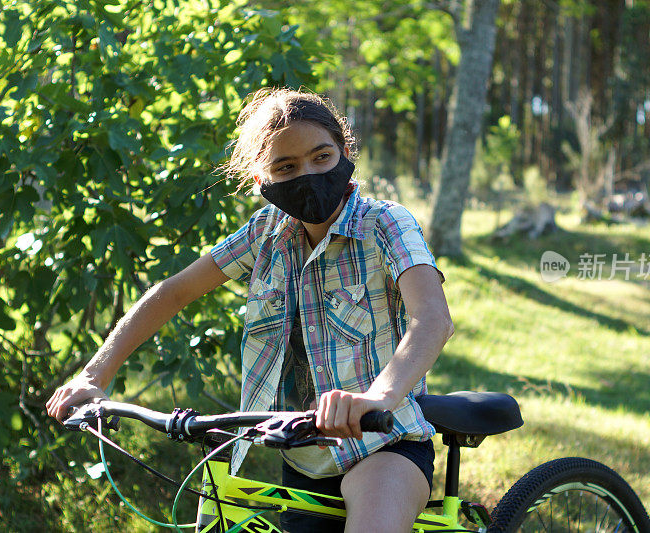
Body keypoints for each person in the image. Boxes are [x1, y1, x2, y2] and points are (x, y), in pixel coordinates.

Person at [46, 87, 454, 533]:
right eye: (286, 167)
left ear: (346, 151)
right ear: (262, 181)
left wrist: (376, 398)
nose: (309, 174)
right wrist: (94, 375)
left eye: (322, 157)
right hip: (303, 454)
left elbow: (431, 318)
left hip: (383, 446)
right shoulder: (266, 232)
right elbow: (174, 293)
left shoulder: (386, 224)